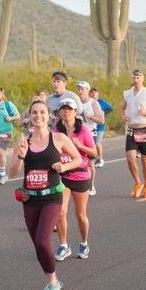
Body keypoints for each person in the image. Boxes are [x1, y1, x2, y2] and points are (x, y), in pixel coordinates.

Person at [9, 100, 82, 290]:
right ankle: (50, 284)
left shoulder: (58, 138)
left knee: (43, 241)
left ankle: (54, 284)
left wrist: (64, 166)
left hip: (52, 197)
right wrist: (21, 156)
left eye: (42, 112)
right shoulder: (24, 141)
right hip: (30, 199)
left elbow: (78, 160)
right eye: (34, 112)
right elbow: (13, 172)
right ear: (30, 116)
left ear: (49, 116)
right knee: (38, 246)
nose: (38, 116)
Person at [54, 98, 97, 261]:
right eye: (63, 109)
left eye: (69, 109)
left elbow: (94, 153)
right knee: (60, 212)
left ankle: (84, 243)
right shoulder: (56, 130)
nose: (66, 111)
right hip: (63, 176)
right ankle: (64, 245)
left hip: (80, 175)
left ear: (75, 111)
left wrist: (79, 146)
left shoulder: (83, 130)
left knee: (80, 214)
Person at [121, 69, 146, 199]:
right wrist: (123, 116)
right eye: (134, 76)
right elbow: (123, 108)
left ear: (143, 78)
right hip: (132, 130)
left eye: (139, 76)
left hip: (145, 130)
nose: (136, 78)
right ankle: (138, 183)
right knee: (130, 158)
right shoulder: (127, 93)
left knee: (145, 160)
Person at [75, 81, 103, 196]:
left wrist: (91, 117)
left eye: (82, 89)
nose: (80, 91)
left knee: (90, 163)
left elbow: (101, 120)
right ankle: (77, 184)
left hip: (90, 134)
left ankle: (91, 185)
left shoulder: (93, 103)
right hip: (77, 135)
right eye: (78, 89)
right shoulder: (75, 103)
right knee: (77, 161)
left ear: (87, 90)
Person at [89, 87, 113, 168]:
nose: (93, 94)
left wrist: (103, 113)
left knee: (97, 142)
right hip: (91, 125)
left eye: (95, 93)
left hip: (100, 126)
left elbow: (110, 108)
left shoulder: (101, 102)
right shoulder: (90, 102)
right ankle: (94, 159)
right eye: (91, 93)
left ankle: (101, 159)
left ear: (98, 94)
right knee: (92, 143)